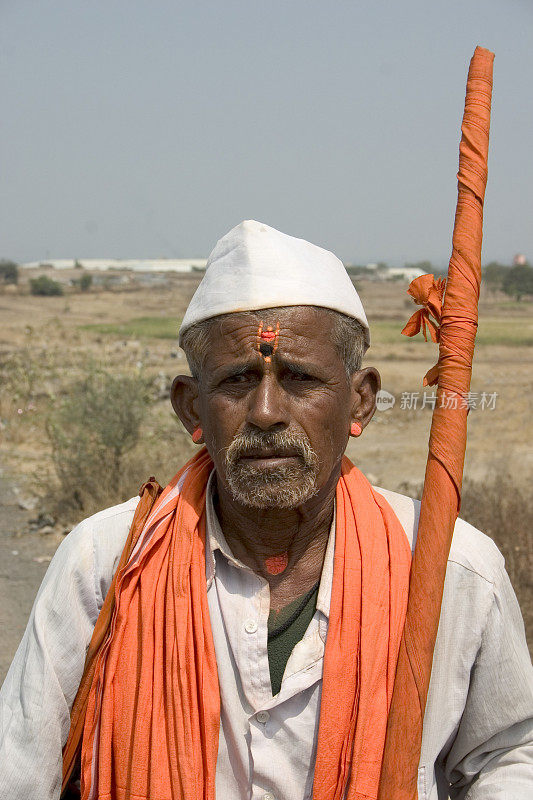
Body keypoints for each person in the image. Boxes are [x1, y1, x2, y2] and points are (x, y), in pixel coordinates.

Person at [0, 220, 532, 800]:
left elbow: (508, 755)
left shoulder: (450, 570)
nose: (267, 411)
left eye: (301, 379)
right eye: (236, 380)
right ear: (191, 408)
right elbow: (21, 771)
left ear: (361, 400)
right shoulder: (105, 564)